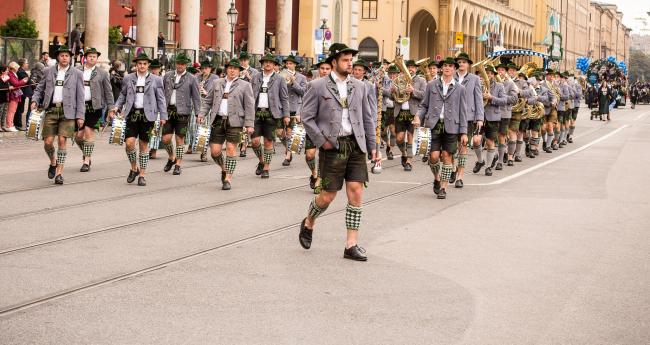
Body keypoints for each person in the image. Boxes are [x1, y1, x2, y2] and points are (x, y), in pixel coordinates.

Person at [298, 43, 377, 261]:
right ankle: (309, 222)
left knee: (356, 191)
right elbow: (306, 117)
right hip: (333, 146)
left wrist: (373, 146)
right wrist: (322, 141)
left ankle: (351, 244)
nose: (350, 63)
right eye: (345, 59)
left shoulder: (361, 86)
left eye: (351, 59)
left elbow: (367, 118)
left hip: (355, 144)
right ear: (334, 62)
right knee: (327, 196)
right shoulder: (317, 86)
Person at [109, 53, 168, 186]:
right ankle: (133, 167)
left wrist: (163, 116)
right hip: (131, 114)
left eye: (144, 64)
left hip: (148, 116)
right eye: (139, 64)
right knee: (129, 143)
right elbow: (122, 95)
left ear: (148, 65)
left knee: (143, 146)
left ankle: (142, 174)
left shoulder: (156, 79)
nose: (142, 66)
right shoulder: (128, 78)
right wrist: (116, 107)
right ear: (136, 65)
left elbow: (161, 98)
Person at [414, 57, 468, 199]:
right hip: (434, 124)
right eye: (445, 66)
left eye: (450, 66)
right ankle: (437, 178)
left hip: (452, 126)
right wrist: (418, 116)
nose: (447, 68)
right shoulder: (432, 85)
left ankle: (443, 187)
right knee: (433, 157)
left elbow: (463, 111)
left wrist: (464, 132)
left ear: (454, 69)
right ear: (441, 68)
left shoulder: (460, 88)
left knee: (447, 156)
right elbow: (424, 105)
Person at [30, 46, 85, 185]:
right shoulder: (48, 71)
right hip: (51, 110)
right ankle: (53, 162)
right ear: (58, 57)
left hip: (69, 113)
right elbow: (39, 88)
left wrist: (80, 116)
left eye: (67, 55)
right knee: (47, 142)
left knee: (62, 141)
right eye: (62, 55)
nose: (64, 58)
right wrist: (35, 100)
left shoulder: (77, 73)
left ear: (70, 57)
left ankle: (59, 173)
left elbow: (80, 96)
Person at [198, 58, 255, 190]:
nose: (232, 70)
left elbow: (249, 106)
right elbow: (208, 101)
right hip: (218, 119)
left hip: (235, 121)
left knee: (230, 148)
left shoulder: (245, 85)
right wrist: (201, 114)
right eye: (230, 68)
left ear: (239, 71)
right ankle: (224, 168)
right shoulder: (217, 83)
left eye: (235, 69)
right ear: (226, 69)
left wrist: (249, 124)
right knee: (215, 151)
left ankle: (228, 178)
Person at [73, 47, 114, 172]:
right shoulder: (76, 70)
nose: (92, 58)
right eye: (90, 56)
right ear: (85, 58)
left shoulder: (102, 73)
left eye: (94, 56)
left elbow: (108, 91)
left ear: (97, 58)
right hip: (78, 107)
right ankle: (86, 152)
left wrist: (111, 108)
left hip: (94, 107)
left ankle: (86, 160)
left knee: (88, 132)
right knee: (78, 136)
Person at [250, 53, 290, 179]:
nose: (268, 64)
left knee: (268, 142)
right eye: (265, 62)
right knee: (255, 141)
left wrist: (286, 115)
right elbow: (249, 95)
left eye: (270, 62)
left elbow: (284, 98)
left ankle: (266, 167)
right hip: (256, 113)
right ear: (262, 64)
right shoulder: (255, 77)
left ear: (274, 65)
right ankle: (261, 161)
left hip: (272, 114)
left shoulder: (279, 79)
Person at [160, 53, 201, 175]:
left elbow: (196, 97)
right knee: (166, 139)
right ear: (175, 64)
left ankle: (178, 164)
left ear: (186, 65)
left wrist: (199, 114)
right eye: (178, 63)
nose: (180, 66)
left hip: (183, 112)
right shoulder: (167, 76)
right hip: (168, 111)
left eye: (182, 64)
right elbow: (161, 94)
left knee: (179, 139)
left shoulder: (192, 78)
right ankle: (171, 157)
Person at [453, 52, 483, 188]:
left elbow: (479, 99)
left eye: (464, 62)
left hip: (469, 117)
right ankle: (453, 168)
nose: (461, 64)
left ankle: (460, 176)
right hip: (452, 116)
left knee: (463, 147)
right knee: (452, 147)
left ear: (468, 65)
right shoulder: (450, 77)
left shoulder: (474, 79)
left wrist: (479, 118)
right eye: (459, 62)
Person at [304, 58, 332, 194]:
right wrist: (299, 115)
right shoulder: (312, 84)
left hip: (327, 126)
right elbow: (304, 102)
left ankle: (320, 180)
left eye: (327, 69)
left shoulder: (336, 86)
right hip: (312, 124)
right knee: (309, 155)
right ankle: (314, 174)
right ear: (318, 70)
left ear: (331, 70)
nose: (325, 71)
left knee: (324, 155)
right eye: (322, 69)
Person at [392, 59, 426, 171]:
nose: (410, 69)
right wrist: (393, 91)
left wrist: (413, 91)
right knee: (399, 138)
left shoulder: (421, 80)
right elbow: (391, 96)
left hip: (413, 113)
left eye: (412, 67)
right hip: (400, 112)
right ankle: (404, 153)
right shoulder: (398, 79)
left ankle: (409, 162)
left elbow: (425, 95)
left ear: (416, 69)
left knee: (411, 137)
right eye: (408, 67)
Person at [475, 64, 507, 176]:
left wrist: (491, 98)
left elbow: (504, 101)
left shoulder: (499, 86)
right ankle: (480, 161)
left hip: (493, 117)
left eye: (489, 73)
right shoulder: (477, 84)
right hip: (479, 116)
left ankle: (488, 167)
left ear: (493, 75)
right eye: (484, 73)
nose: (486, 76)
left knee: (489, 142)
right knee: (476, 140)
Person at [279, 54, 308, 166]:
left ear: (295, 65)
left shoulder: (302, 77)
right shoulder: (281, 76)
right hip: (283, 107)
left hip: (296, 107)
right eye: (287, 63)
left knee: (292, 133)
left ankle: (288, 155)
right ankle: (288, 149)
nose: (288, 65)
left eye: (290, 63)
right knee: (280, 133)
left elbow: (303, 92)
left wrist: (293, 82)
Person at [237, 51, 259, 157]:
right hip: (238, 100)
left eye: (244, 60)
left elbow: (256, 86)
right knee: (241, 125)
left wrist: (248, 77)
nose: (243, 63)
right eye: (241, 61)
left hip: (249, 100)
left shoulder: (254, 72)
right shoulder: (237, 70)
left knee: (246, 124)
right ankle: (242, 143)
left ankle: (243, 146)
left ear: (248, 61)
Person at [4, 62, 29, 132]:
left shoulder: (13, 74)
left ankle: (11, 124)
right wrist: (24, 81)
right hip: (13, 95)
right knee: (11, 111)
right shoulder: (10, 74)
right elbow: (16, 83)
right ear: (14, 68)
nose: (18, 69)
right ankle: (9, 125)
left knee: (13, 110)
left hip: (16, 94)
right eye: (17, 68)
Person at [0, 66, 9, 131]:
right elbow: (2, 87)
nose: (7, 71)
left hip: (6, 98)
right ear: (2, 71)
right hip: (1, 98)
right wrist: (8, 88)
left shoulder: (6, 77)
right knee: (0, 111)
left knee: (4, 111)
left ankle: (2, 125)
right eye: (6, 70)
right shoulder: (0, 78)